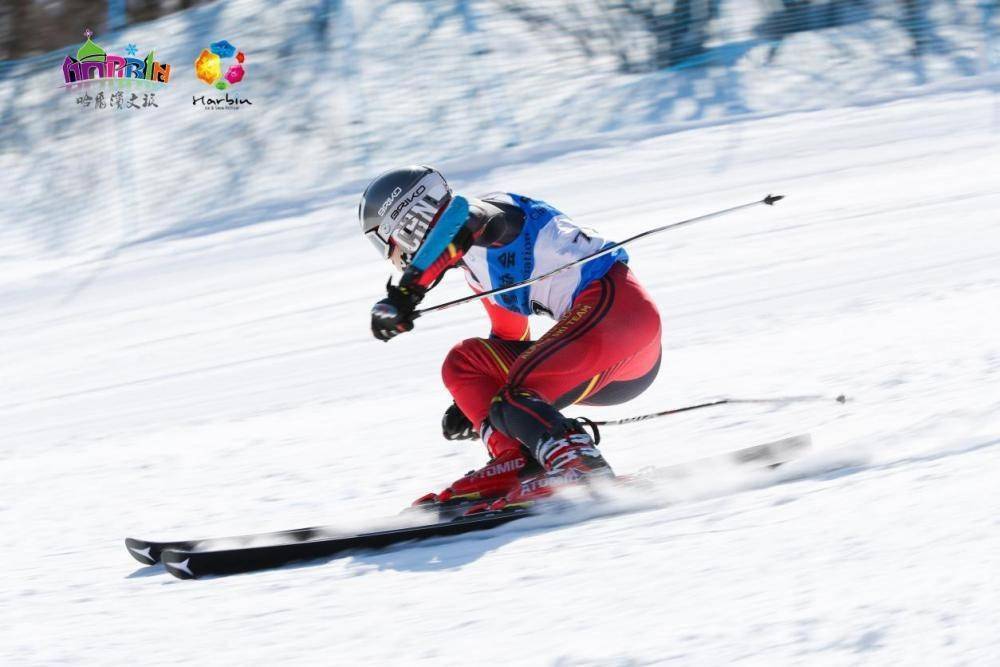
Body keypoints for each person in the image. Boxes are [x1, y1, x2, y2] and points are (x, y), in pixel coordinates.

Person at [359, 165, 662, 512]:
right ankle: (518, 462)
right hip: (599, 358)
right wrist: (478, 406)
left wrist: (408, 292)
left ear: (408, 222)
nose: (393, 257)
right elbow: (510, 335)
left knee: (514, 398)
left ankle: (581, 467)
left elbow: (463, 217)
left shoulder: (492, 214)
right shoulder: (477, 270)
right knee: (465, 364)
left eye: (386, 243)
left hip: (621, 318)